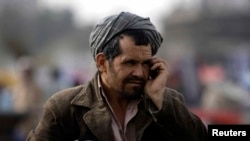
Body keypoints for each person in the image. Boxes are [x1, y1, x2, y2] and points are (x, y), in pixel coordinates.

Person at [27, 11, 208, 141]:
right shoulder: (65, 108)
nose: (139, 73)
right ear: (101, 62)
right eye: (129, 63)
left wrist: (161, 101)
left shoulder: (166, 102)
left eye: (145, 63)